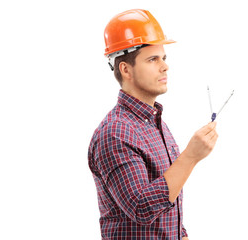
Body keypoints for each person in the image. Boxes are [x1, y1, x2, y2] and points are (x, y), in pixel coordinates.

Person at [88, 9, 218, 240]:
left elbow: (168, 200)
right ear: (126, 69)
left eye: (164, 58)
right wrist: (190, 157)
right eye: (152, 59)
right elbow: (142, 208)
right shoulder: (115, 133)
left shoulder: (155, 124)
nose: (164, 66)